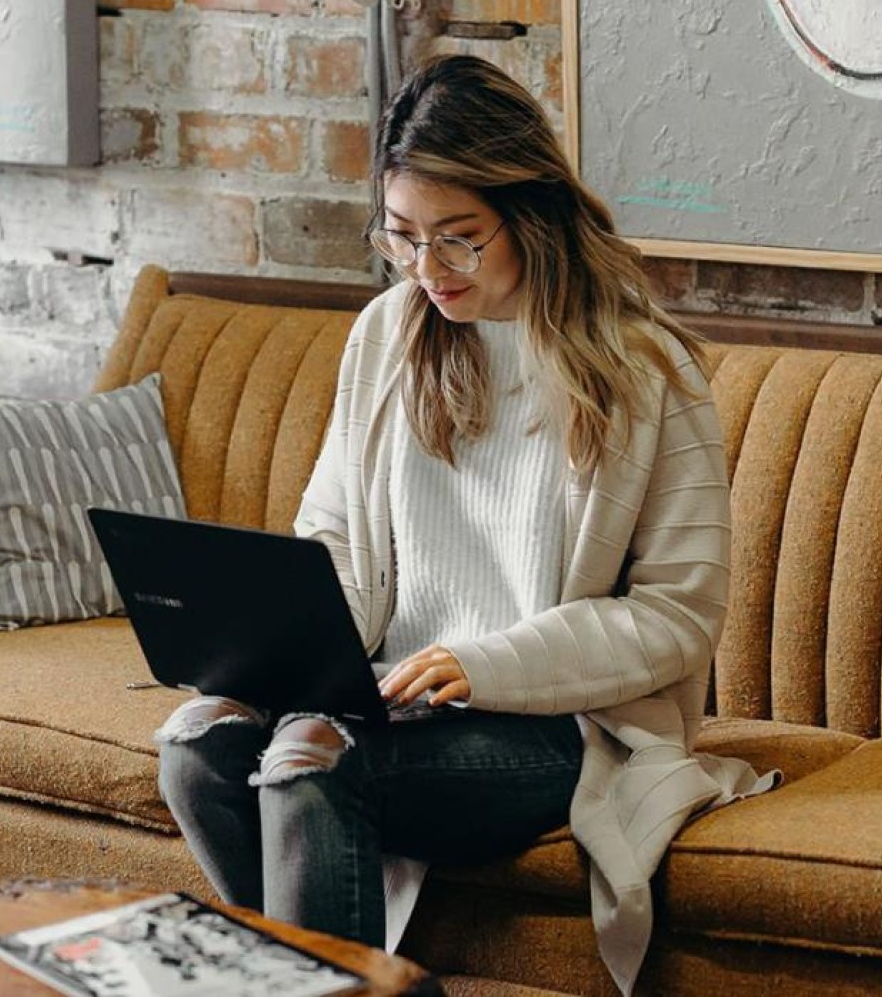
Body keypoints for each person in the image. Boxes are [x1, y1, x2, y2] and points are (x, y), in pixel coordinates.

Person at [155, 54, 778, 995]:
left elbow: (677, 614)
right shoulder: (386, 333)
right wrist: (279, 643)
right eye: (402, 237)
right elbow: (331, 531)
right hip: (380, 694)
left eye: (459, 239)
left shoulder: (646, 371)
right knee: (197, 746)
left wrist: (487, 666)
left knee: (311, 764)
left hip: (554, 722)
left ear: (531, 216)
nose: (426, 269)